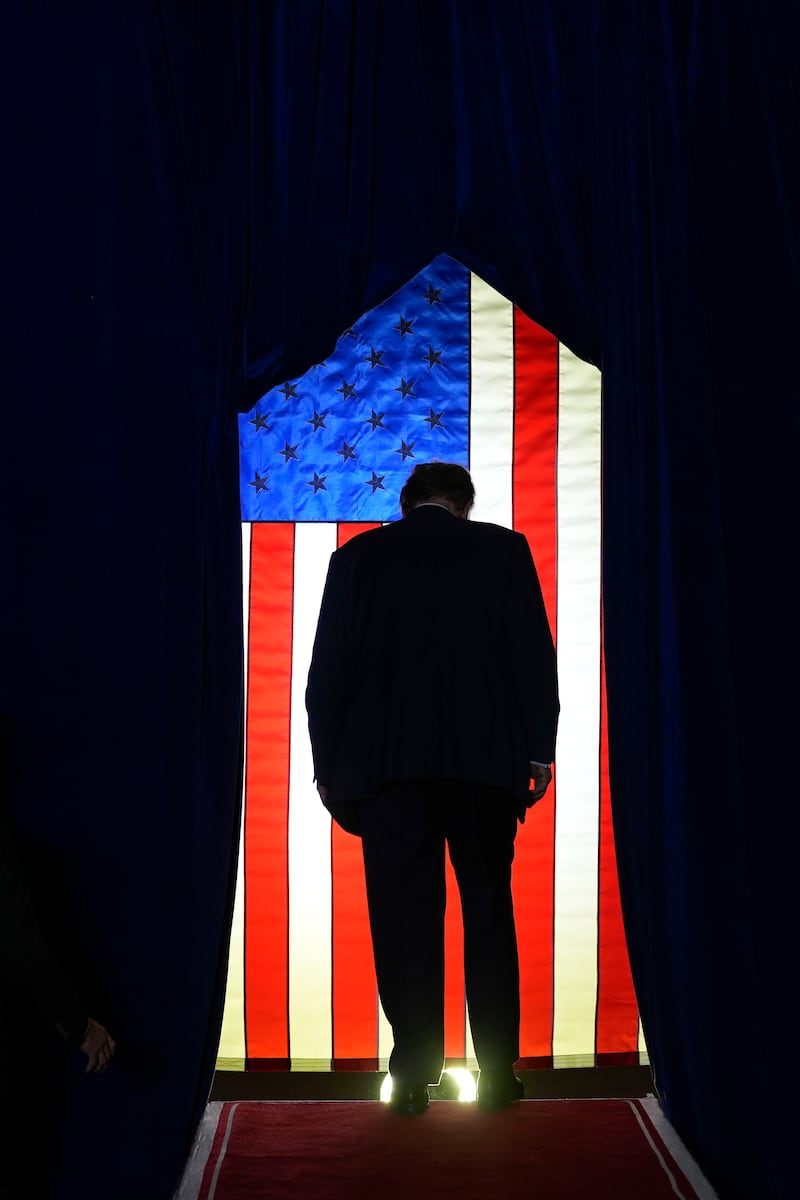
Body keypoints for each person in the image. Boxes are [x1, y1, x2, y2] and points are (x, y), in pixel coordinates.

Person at [306, 461, 558, 1115]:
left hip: (388, 775)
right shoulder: (503, 550)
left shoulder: (358, 558)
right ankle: (499, 1075)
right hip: (483, 772)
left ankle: (414, 1076)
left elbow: (327, 672)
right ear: (464, 505)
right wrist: (538, 754)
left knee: (404, 923)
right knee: (489, 915)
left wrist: (329, 769)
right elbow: (533, 657)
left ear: (406, 501)